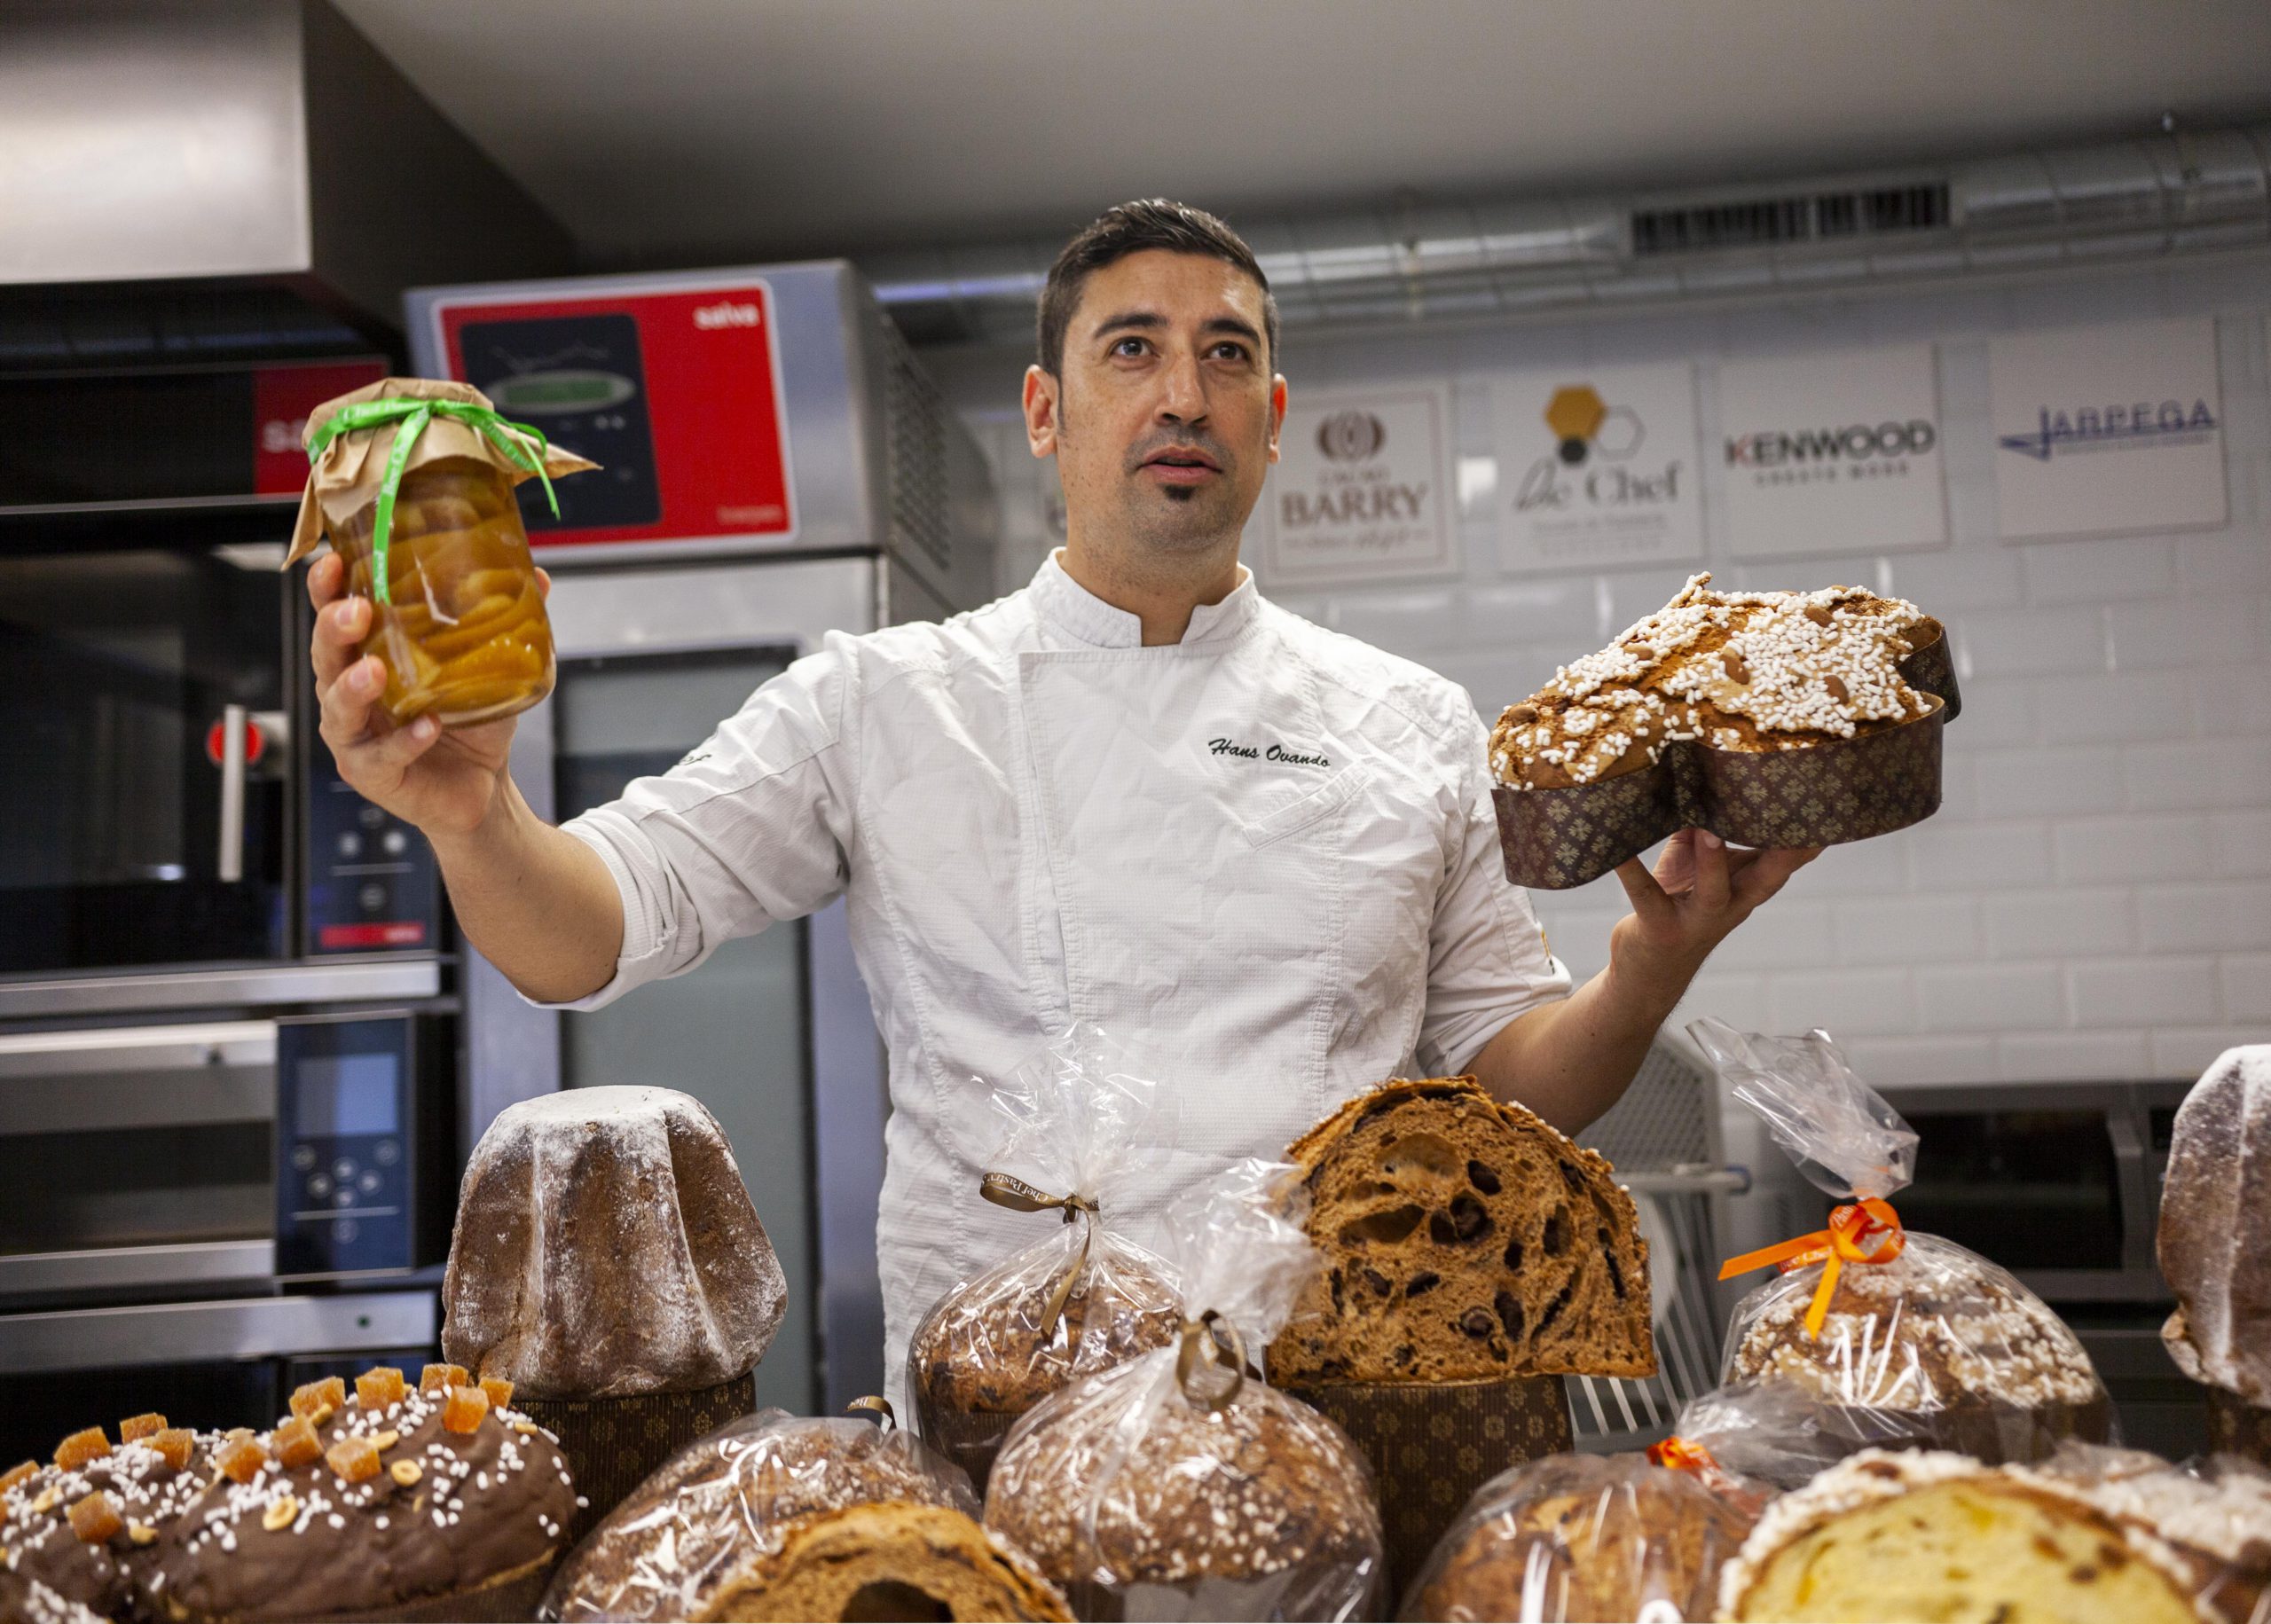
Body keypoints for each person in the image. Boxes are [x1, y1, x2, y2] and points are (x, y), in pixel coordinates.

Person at [308, 200, 1817, 1399]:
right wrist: (468, 816)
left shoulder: (1408, 721)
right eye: (1133, 350)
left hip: (1332, 1408)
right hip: (999, 1417)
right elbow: (591, 931)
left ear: (1274, 417)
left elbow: (1508, 1085)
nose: (1185, 392)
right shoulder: (882, 701)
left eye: (1228, 356)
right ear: (1045, 411)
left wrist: (1652, 963)